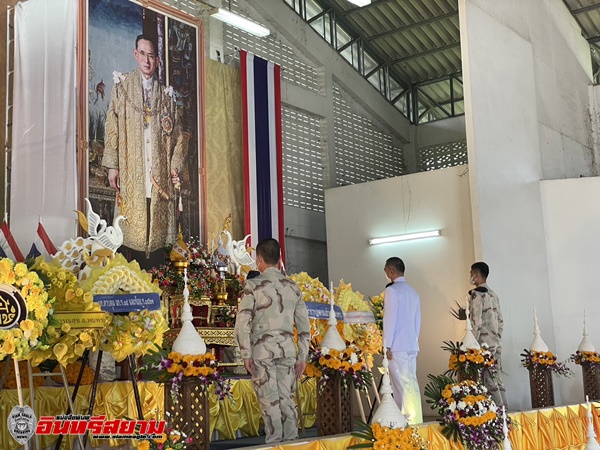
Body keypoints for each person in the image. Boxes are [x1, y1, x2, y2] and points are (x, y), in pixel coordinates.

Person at [103, 34, 184, 260]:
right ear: (135, 54)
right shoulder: (122, 88)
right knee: (132, 228)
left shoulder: (167, 97)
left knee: (157, 227)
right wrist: (112, 165)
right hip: (132, 173)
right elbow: (112, 127)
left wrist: (175, 168)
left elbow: (178, 138)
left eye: (151, 56)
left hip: (159, 177)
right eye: (142, 54)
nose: (147, 61)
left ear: (157, 60)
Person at [234, 239, 310, 443]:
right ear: (280, 259)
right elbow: (304, 327)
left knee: (270, 403)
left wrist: (246, 354)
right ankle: (293, 444)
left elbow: (242, 324)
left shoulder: (252, 285)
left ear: (258, 259)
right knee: (287, 400)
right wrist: (303, 356)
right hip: (288, 352)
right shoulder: (293, 287)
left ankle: (275, 444)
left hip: (263, 352)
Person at [383, 257, 423, 424]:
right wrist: (414, 340)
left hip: (397, 345)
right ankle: (415, 418)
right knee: (411, 382)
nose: (385, 274)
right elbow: (417, 321)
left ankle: (407, 420)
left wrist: (386, 345)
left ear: (391, 272)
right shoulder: (413, 292)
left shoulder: (392, 291)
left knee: (401, 384)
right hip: (411, 344)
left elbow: (389, 319)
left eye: (386, 271)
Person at [468, 262, 508, 407]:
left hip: (483, 344)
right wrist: (497, 338)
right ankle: (505, 408)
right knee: (497, 376)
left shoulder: (477, 294)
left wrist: (470, 343)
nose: (470, 276)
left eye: (471, 273)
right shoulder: (493, 294)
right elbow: (501, 321)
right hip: (496, 342)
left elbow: (476, 322)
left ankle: (498, 410)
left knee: (488, 379)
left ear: (477, 275)